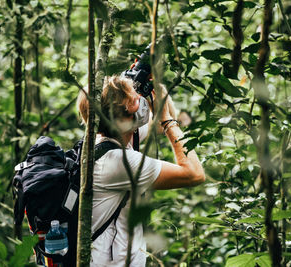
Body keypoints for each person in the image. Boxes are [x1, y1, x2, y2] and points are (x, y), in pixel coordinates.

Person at [77, 75, 205, 266]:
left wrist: (155, 85)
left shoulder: (107, 141)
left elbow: (160, 125)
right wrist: (167, 119)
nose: (142, 100)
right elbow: (195, 173)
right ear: (127, 112)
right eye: (137, 99)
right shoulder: (118, 162)